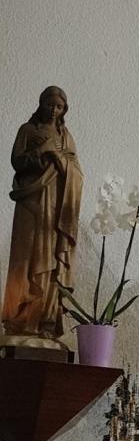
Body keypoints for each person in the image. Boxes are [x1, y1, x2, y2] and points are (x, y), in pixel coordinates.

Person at [2, 86, 82, 349]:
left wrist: (62, 163)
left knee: (49, 261)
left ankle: (46, 322)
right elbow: (17, 160)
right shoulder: (28, 130)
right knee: (26, 258)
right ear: (41, 104)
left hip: (56, 209)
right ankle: (19, 319)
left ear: (64, 110)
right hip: (32, 203)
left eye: (59, 107)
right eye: (50, 104)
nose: (54, 110)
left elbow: (76, 171)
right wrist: (42, 151)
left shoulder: (66, 136)